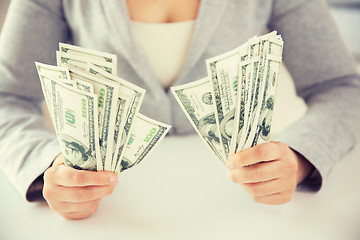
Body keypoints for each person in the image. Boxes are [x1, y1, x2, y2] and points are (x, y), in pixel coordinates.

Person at [0, 0, 359, 220]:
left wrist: (299, 159)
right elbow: (7, 98)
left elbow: (342, 87)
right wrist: (48, 169)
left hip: (241, 211)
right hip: (109, 214)